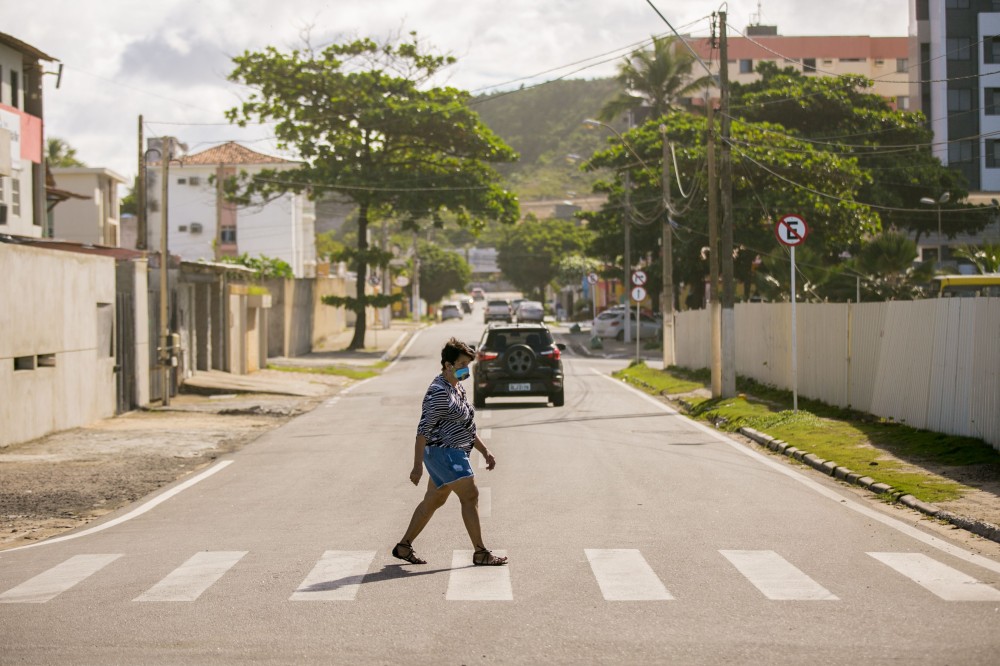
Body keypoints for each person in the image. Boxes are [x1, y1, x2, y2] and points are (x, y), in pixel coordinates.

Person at [392, 337, 508, 567]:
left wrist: (485, 451)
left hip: (452, 453)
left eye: (468, 364)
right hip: (444, 453)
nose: (467, 369)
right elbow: (422, 431)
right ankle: (480, 552)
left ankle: (404, 546)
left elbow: (465, 426)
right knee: (470, 495)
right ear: (448, 365)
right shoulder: (438, 392)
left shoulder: (457, 388)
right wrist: (417, 467)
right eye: (462, 364)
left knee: (434, 500)